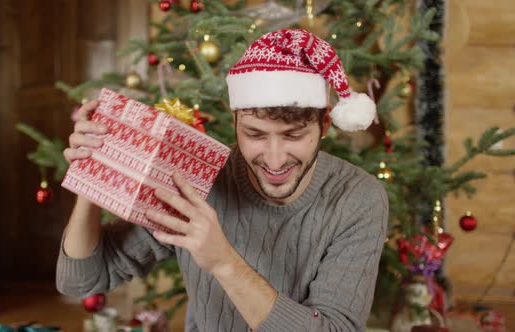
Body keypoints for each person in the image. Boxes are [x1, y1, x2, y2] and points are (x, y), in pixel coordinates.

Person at [57, 29, 388, 332]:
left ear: (325, 125)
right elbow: (80, 282)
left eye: (294, 135)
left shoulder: (357, 198)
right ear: (235, 122)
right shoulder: (197, 175)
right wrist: (91, 169)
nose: (274, 160)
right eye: (255, 134)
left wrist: (224, 261)